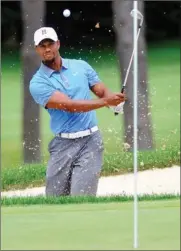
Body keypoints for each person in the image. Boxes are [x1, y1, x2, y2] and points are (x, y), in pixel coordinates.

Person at [29, 27, 126, 197]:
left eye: (50, 44)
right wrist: (105, 102)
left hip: (91, 142)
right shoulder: (38, 83)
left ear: (58, 44)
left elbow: (102, 91)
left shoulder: (81, 66)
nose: (47, 49)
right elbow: (69, 105)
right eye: (42, 46)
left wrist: (114, 102)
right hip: (62, 145)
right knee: (55, 200)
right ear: (37, 49)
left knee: (82, 197)